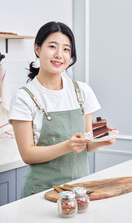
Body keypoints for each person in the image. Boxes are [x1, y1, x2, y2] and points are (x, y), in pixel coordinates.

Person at [9, 21, 116, 198]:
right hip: (41, 194)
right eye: (52, 46)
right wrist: (67, 145)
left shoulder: (82, 91)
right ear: (37, 49)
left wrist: (102, 140)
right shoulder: (24, 97)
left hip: (79, 192)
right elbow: (27, 154)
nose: (59, 55)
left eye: (66, 49)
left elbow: (86, 144)